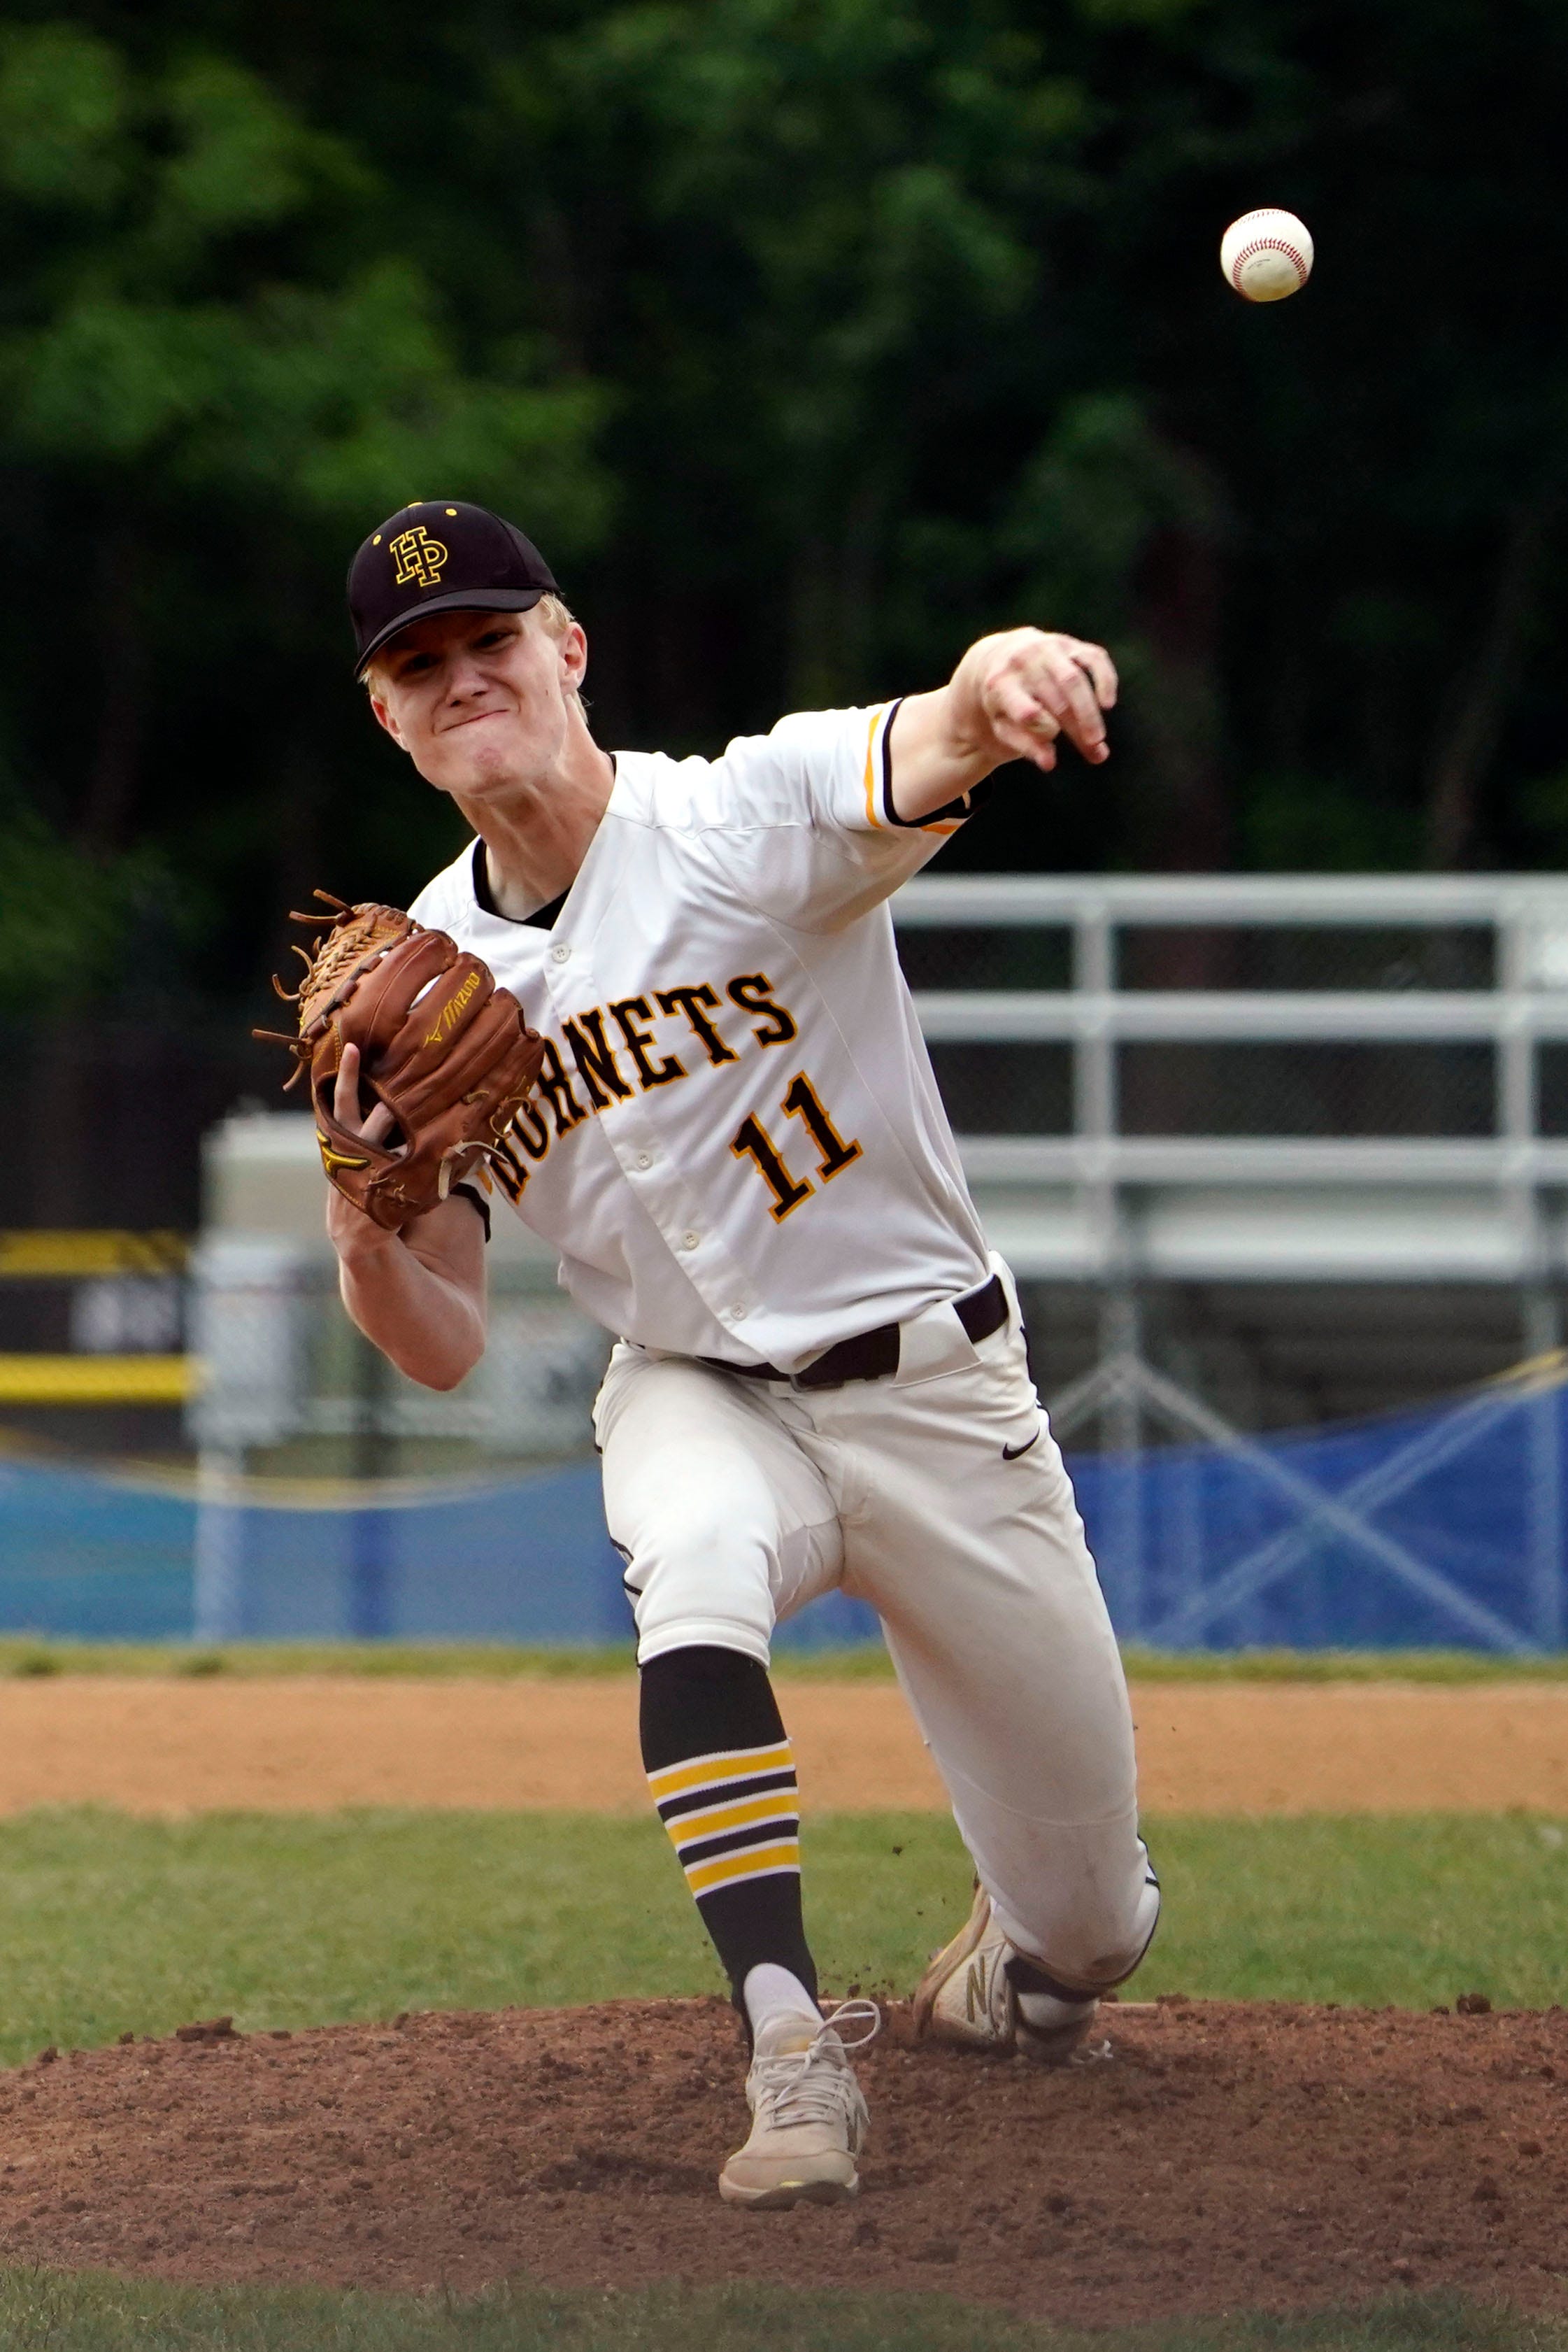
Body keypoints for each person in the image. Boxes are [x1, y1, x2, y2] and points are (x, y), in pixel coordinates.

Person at [327, 499, 1160, 2210]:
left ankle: (1018, 1969)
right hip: (696, 1389)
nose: (460, 674)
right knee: (690, 1562)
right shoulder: (417, 988)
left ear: (567, 649)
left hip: (940, 1392)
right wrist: (362, 1227)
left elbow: (921, 743)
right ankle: (790, 2048)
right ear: (388, 720)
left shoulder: (741, 813)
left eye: (490, 637)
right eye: (419, 664)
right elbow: (444, 1343)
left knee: (1096, 1928)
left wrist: (996, 679)